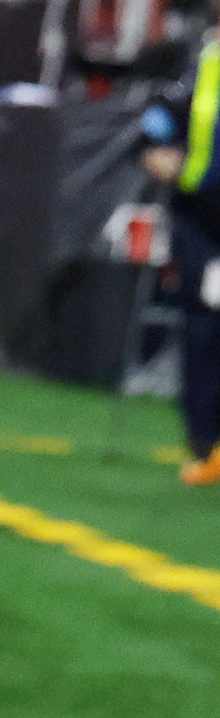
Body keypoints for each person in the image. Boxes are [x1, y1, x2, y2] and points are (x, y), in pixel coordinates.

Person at [139, 36, 220, 483]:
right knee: (206, 325)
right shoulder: (205, 61)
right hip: (202, 223)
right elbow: (159, 116)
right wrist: (153, 144)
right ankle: (205, 442)